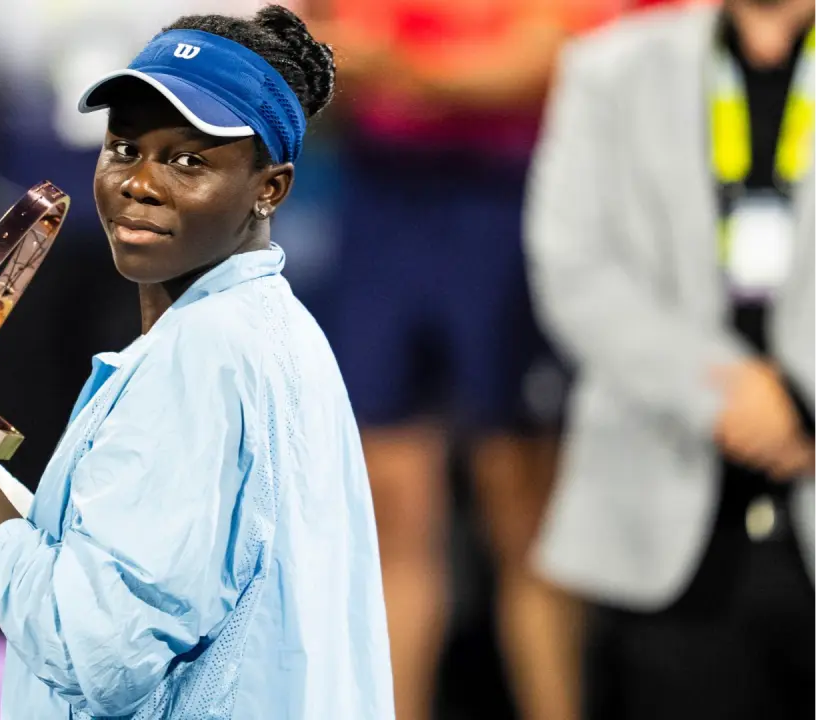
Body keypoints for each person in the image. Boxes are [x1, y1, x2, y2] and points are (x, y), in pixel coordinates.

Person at [0, 6, 396, 718]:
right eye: (125, 148)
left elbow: (97, 653)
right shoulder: (269, 329)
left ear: (270, 188)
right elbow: (142, 566)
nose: (140, 183)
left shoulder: (202, 357)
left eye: (188, 160)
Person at [300, 2, 628, 718]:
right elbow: (311, 56)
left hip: (505, 204)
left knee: (523, 507)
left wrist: (396, 67)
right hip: (380, 205)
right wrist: (430, 72)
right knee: (387, 509)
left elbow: (542, 64)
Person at [527, 0, 816, 718]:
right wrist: (728, 396)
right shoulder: (609, 67)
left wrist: (804, 402)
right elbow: (573, 268)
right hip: (663, 520)